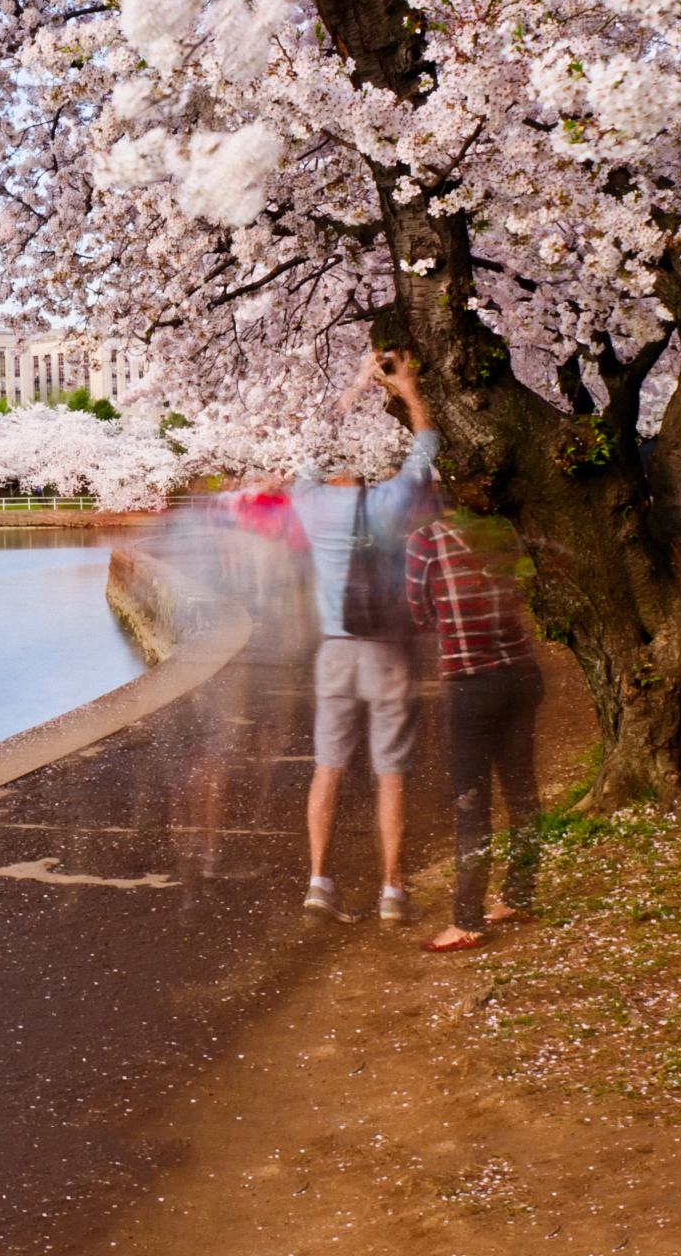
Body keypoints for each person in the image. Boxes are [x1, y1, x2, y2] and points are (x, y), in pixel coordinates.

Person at [292, 351, 440, 924]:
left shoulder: (312, 503)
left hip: (335, 651)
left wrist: (355, 386)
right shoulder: (389, 503)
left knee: (328, 767)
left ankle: (319, 881)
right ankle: (392, 892)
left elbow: (316, 438)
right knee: (390, 772)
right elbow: (426, 447)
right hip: (388, 654)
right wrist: (407, 389)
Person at [407, 507, 543, 953]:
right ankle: (519, 896)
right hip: (522, 673)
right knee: (521, 791)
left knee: (472, 803)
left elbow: (421, 614)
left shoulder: (427, 542)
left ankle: (467, 920)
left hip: (471, 684)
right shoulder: (503, 531)